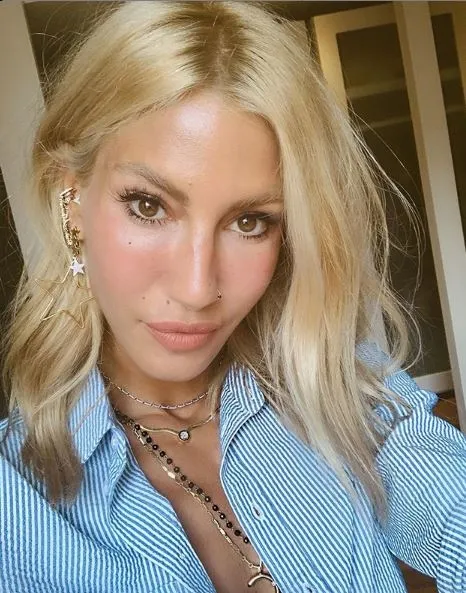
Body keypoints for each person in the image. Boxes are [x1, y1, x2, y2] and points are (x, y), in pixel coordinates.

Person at [1, 2, 465, 592]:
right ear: (71, 199)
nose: (197, 289)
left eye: (250, 222)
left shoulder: (334, 382)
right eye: (148, 205)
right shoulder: (15, 505)